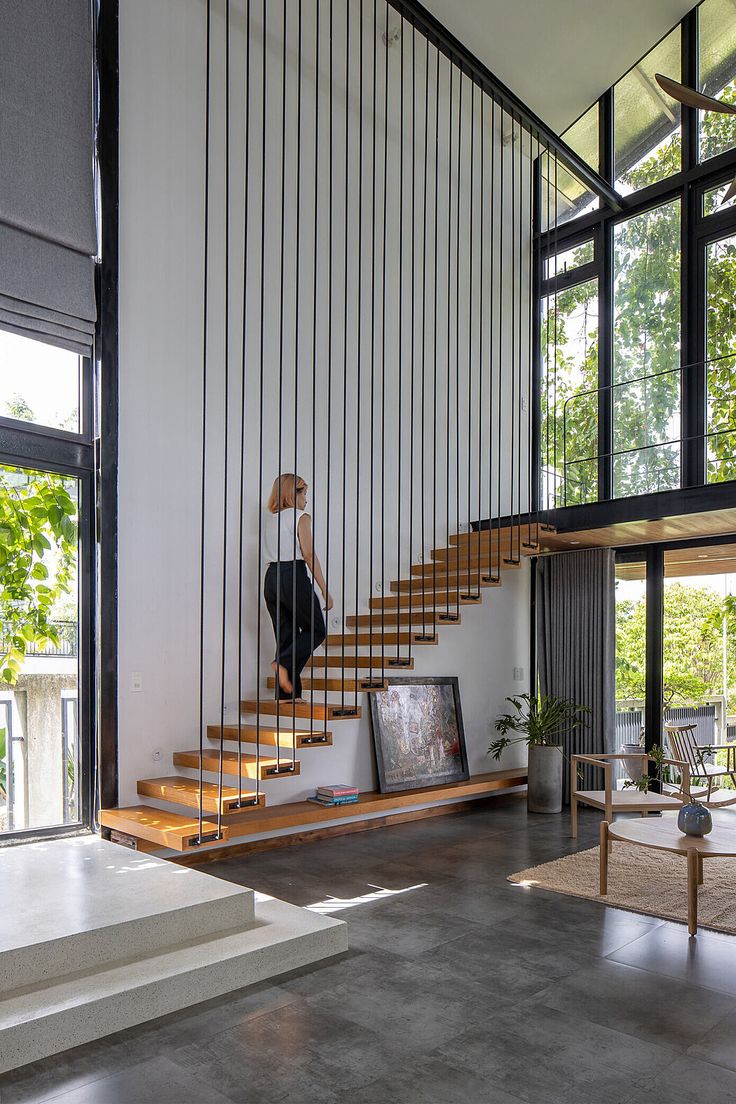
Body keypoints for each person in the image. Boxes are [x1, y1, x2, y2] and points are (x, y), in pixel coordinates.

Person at [263, 474, 333, 702]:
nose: (306, 499)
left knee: (286, 636)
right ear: (294, 494)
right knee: (317, 630)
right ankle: (282, 663)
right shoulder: (300, 517)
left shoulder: (272, 520)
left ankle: (287, 694)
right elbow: (309, 554)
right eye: (304, 493)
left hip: (271, 578)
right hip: (293, 575)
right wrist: (324, 589)